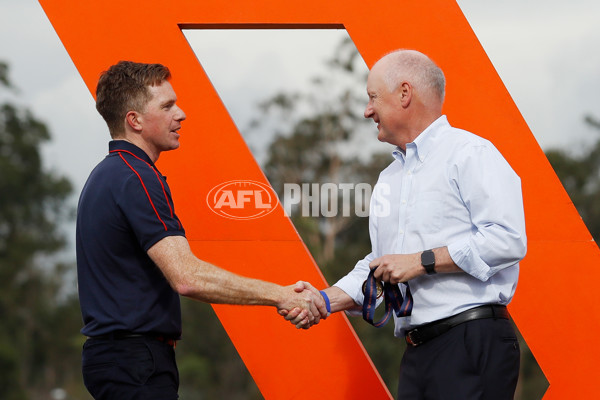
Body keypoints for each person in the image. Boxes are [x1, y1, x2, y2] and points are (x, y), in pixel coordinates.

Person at [76, 61, 327, 400]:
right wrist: (280, 294)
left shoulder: (106, 175)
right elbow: (187, 276)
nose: (181, 114)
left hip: (121, 361)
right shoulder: (136, 177)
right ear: (134, 120)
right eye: (166, 106)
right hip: (135, 364)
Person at [285, 49, 527, 399]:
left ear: (404, 93)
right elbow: (382, 264)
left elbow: (507, 239)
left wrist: (419, 261)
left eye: (372, 98)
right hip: (418, 352)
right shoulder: (389, 177)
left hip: (471, 342)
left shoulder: (470, 153)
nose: (367, 111)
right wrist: (323, 299)